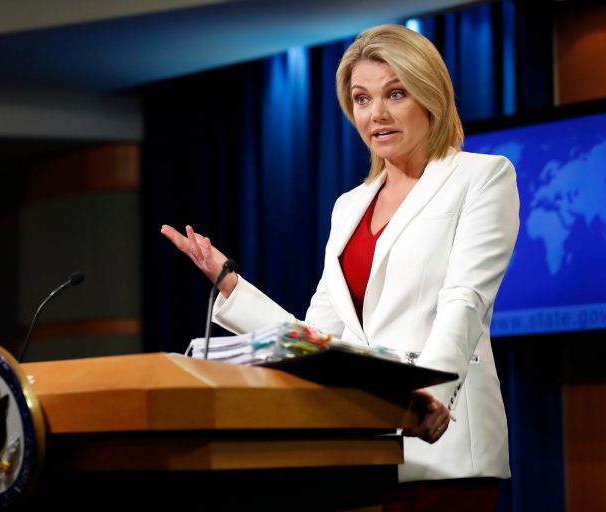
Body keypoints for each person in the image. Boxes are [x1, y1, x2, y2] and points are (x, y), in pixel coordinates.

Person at [161, 23, 518, 511]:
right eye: (362, 99)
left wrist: (428, 396)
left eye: (395, 93)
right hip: (360, 449)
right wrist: (230, 284)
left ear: (429, 95)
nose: (378, 115)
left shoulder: (481, 176)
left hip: (441, 442)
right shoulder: (349, 207)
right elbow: (317, 340)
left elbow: (465, 300)